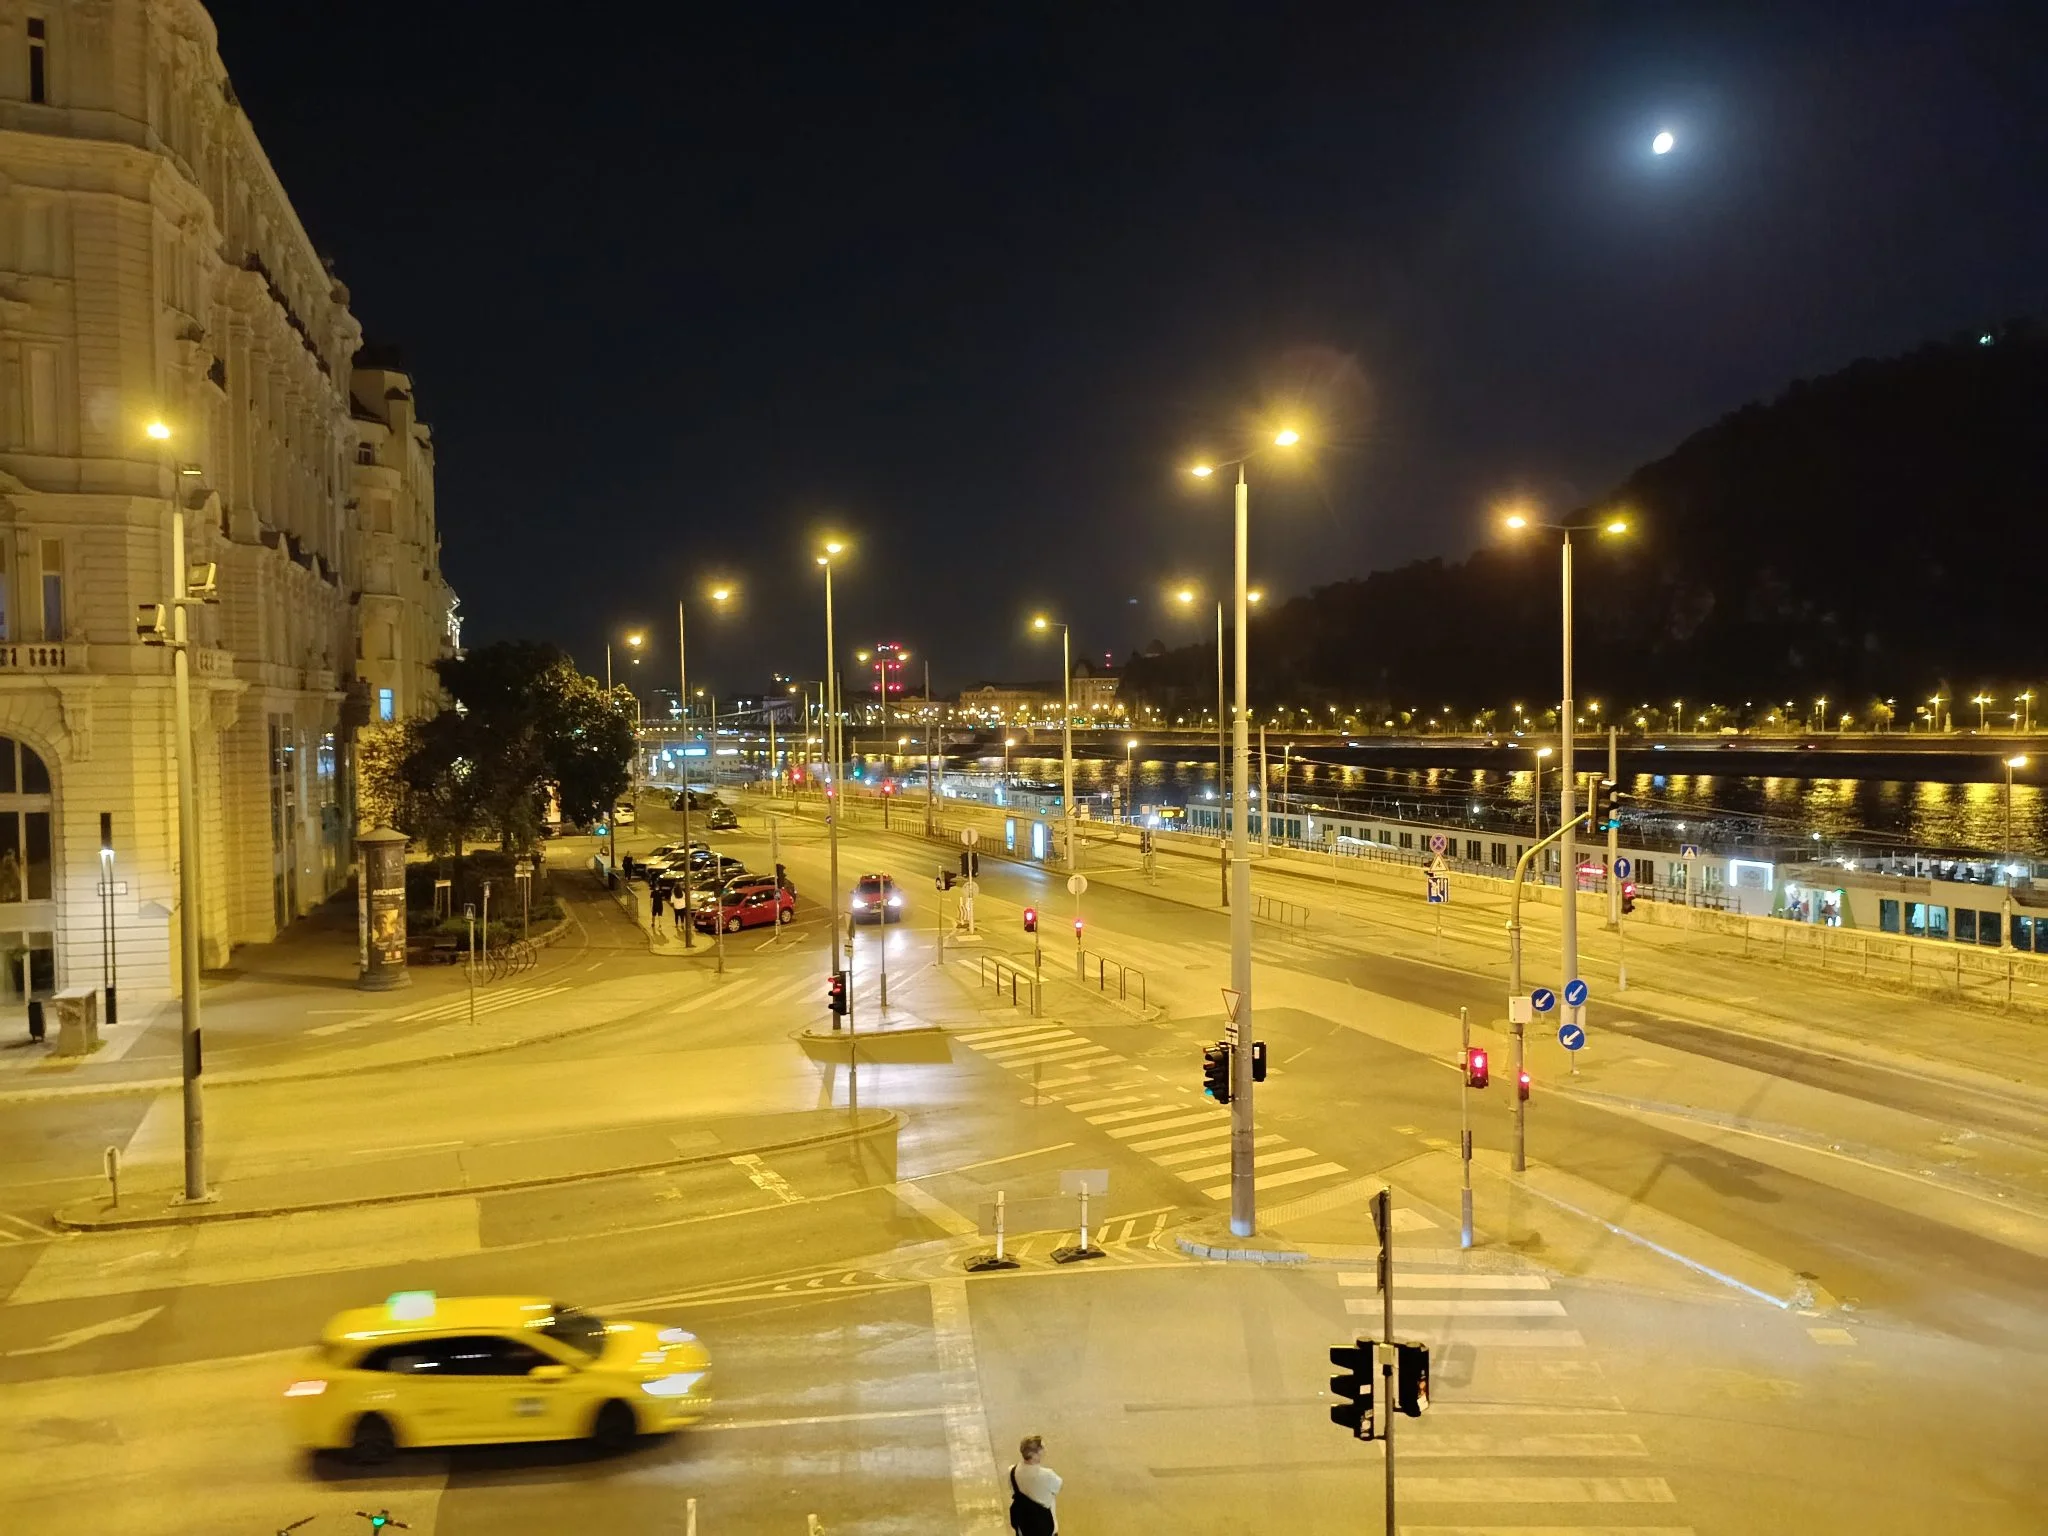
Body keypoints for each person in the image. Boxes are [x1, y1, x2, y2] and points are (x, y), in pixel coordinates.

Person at [1008, 1433, 1060, 1535]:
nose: (1045, 1450)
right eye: (1042, 1448)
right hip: (1046, 1528)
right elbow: (1058, 1487)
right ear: (1035, 1454)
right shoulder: (1048, 1475)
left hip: (1024, 1527)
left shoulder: (1012, 1471)